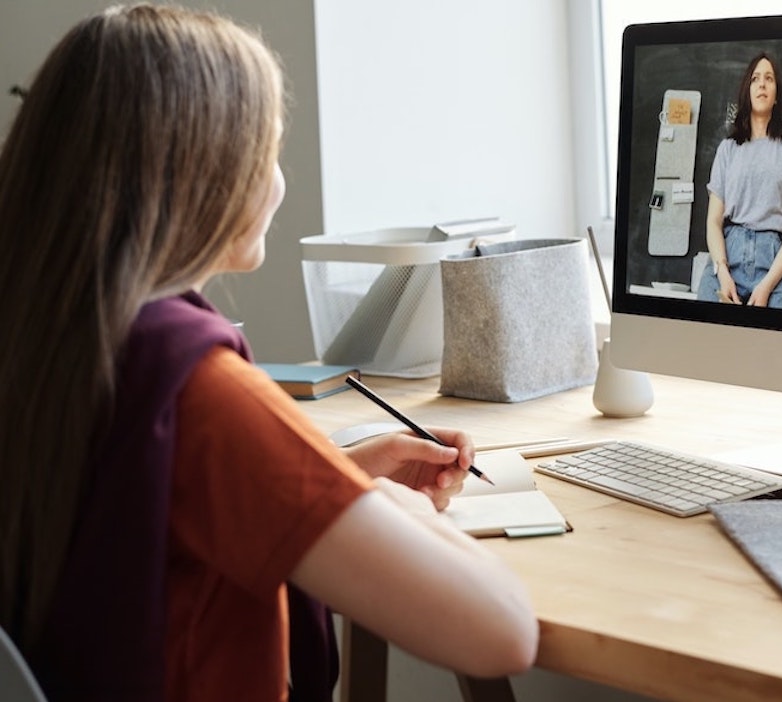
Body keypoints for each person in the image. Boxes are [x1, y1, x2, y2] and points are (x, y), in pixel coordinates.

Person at [0, 5, 537, 701]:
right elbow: (501, 631)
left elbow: (136, 519)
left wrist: (318, 479)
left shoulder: (45, 340)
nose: (278, 183)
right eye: (266, 154)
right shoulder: (192, 389)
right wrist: (376, 505)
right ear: (202, 172)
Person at [695, 52, 782, 309]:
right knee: (706, 339)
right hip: (728, 255)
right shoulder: (727, 149)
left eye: (769, 78)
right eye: (756, 78)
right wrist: (721, 270)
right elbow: (713, 221)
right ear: (748, 89)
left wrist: (767, 285)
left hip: (775, 262)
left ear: (776, 95)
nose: (762, 84)